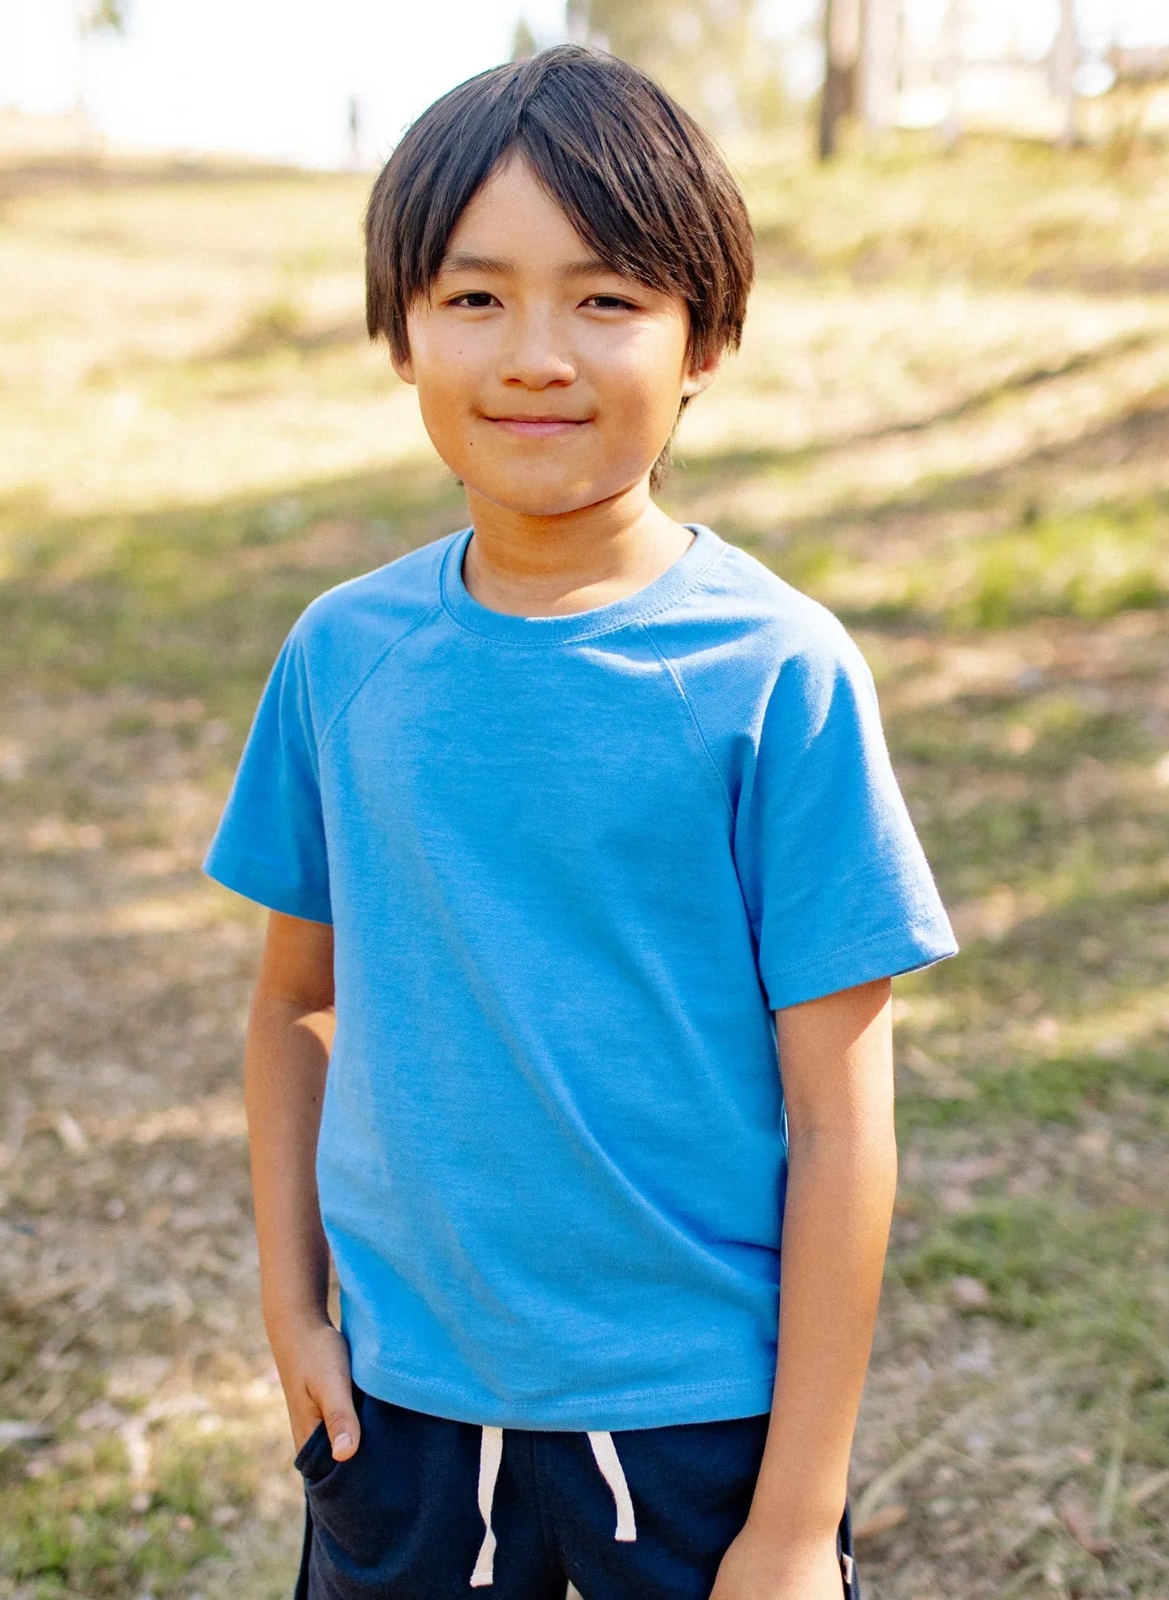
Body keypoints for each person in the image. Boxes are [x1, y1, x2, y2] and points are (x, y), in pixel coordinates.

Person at [202, 42, 958, 1600]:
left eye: (606, 298)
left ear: (705, 340)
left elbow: (841, 1120)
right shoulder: (344, 658)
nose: (536, 353)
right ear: (399, 334)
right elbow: (291, 1007)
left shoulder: (777, 675)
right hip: (399, 1420)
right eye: (474, 297)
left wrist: (798, 1519)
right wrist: (295, 1315)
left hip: (693, 1426)